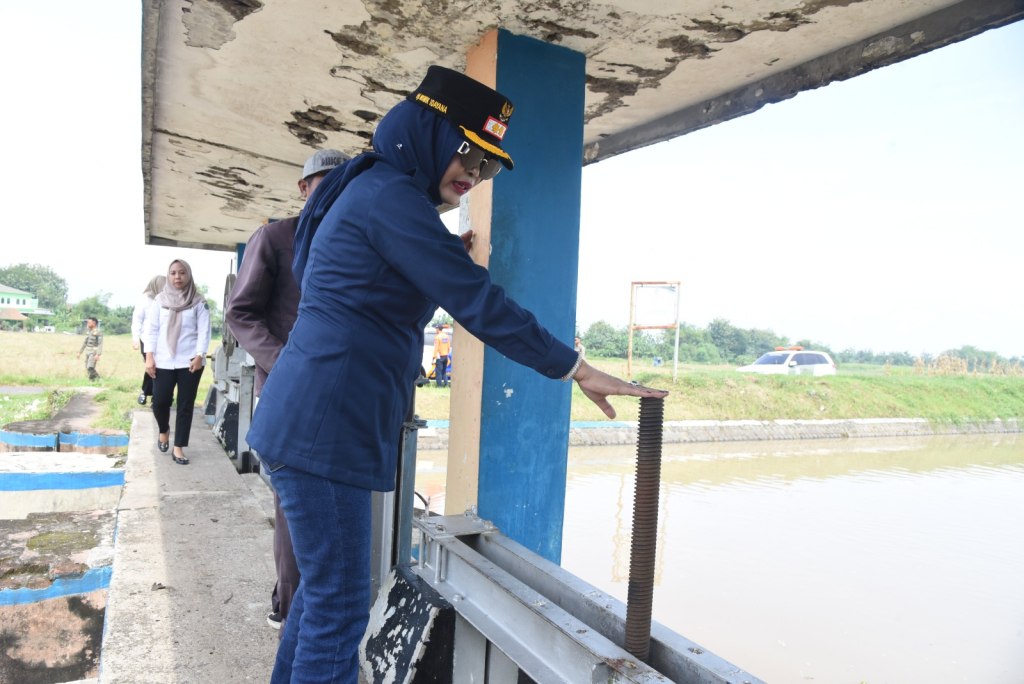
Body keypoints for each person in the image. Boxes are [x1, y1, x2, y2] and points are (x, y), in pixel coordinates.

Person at [245, 66, 667, 684]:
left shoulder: (373, 189)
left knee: (319, 597)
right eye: (467, 152)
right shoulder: (389, 197)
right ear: (428, 132)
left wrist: (438, 255)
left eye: (487, 166)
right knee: (338, 608)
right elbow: (480, 305)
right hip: (323, 431)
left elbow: (365, 291)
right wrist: (576, 368)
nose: (473, 173)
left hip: (317, 424)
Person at [224, 148, 350, 635]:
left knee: (333, 507)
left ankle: (318, 605)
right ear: (303, 188)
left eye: (344, 183)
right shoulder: (275, 237)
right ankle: (289, 604)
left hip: (340, 395)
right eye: (324, 182)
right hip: (289, 395)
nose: (335, 191)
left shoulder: (352, 241)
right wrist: (285, 363)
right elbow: (241, 312)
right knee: (294, 506)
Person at [143, 259, 212, 465]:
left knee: (185, 405)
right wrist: (149, 357)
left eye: (182, 273)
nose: (177, 277)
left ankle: (178, 447)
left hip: (190, 361)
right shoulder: (159, 301)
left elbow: (204, 331)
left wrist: (200, 355)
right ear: (168, 276)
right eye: (173, 273)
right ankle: (164, 429)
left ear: (188, 275)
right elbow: (151, 330)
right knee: (160, 402)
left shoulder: (199, 302)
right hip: (163, 360)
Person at [131, 275, 167, 405]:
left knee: (161, 369)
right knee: (151, 366)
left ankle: (156, 397)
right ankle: (145, 392)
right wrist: (135, 338)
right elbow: (137, 319)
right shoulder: (144, 299)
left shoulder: (167, 298)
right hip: (146, 339)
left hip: (163, 340)